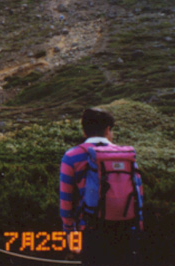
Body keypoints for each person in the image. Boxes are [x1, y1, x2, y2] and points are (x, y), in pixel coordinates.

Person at [59, 108, 144, 266]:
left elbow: (66, 201)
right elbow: (138, 193)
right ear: (107, 130)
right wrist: (138, 228)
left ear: (84, 131)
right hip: (125, 229)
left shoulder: (71, 156)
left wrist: (70, 233)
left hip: (90, 231)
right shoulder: (126, 156)